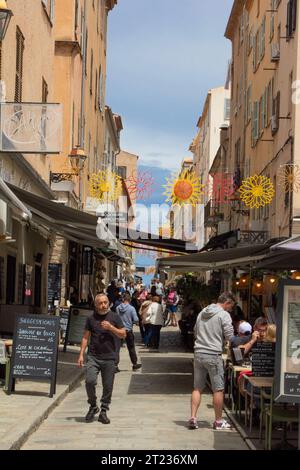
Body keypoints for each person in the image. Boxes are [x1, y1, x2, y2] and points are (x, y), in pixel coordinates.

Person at [188, 292, 235, 430]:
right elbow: (230, 336)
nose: (230, 309)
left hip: (199, 353)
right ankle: (219, 421)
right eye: (230, 306)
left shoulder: (203, 312)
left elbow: (196, 332)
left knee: (197, 387)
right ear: (227, 303)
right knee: (218, 389)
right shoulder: (223, 315)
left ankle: (193, 417)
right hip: (213, 354)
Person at [77, 294, 126, 424]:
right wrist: (81, 354)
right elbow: (85, 337)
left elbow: (123, 334)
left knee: (108, 386)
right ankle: (93, 406)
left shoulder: (114, 317)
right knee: (90, 381)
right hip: (93, 356)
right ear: (96, 305)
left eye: (105, 302)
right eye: (100, 303)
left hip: (110, 357)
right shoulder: (91, 318)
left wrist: (111, 328)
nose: (103, 305)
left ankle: (103, 411)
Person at [116, 293, 142, 371]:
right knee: (131, 348)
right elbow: (136, 319)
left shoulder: (117, 308)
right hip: (128, 330)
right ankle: (134, 364)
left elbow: (117, 318)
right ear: (129, 300)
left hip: (119, 330)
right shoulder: (131, 308)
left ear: (123, 300)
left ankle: (115, 366)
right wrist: (134, 322)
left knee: (117, 348)